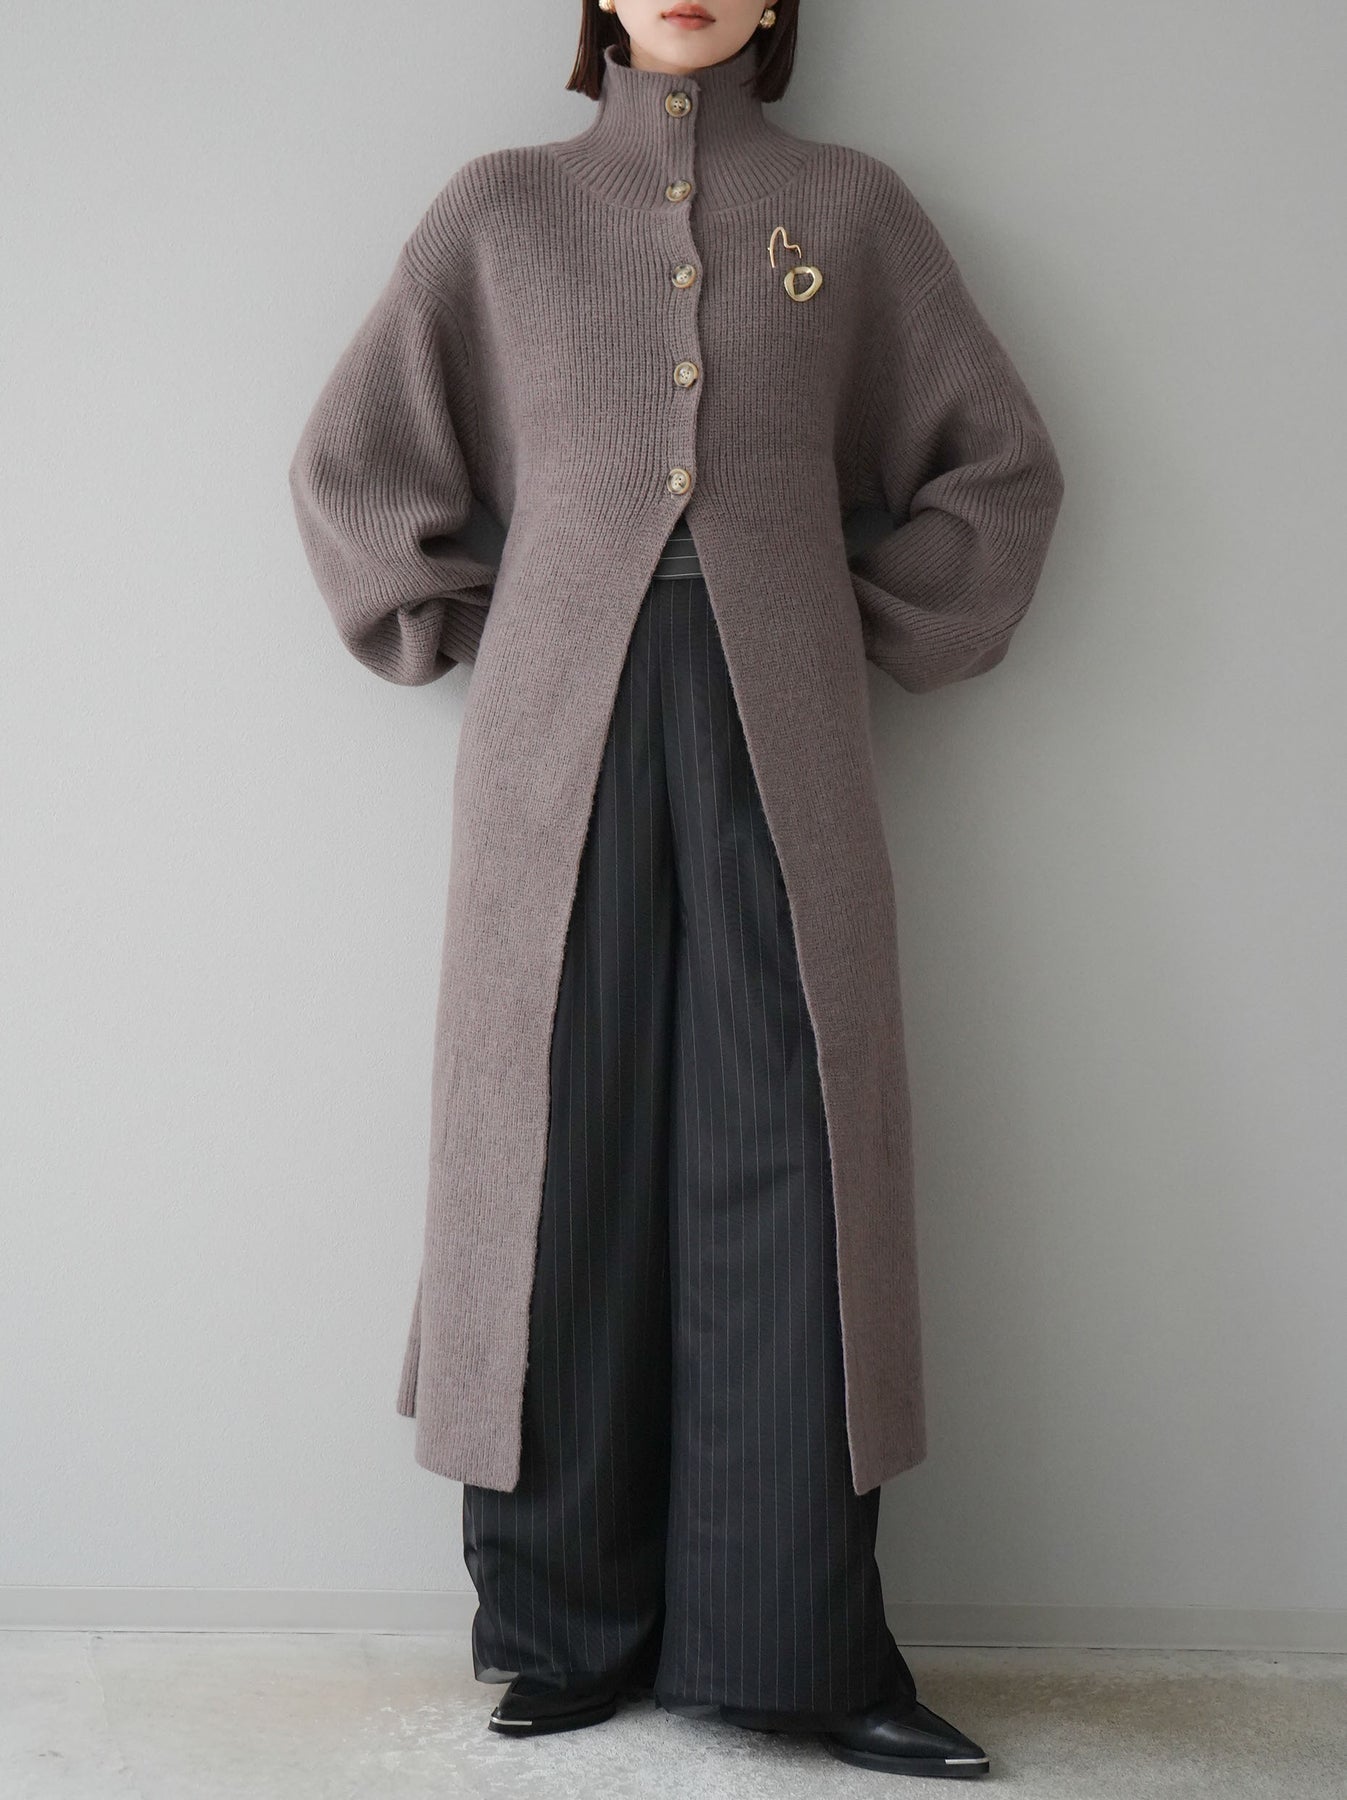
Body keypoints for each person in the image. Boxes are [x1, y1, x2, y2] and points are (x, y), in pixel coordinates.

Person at [288, 0, 1065, 1778]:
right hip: (551, 751)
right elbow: (355, 465)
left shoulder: (854, 211)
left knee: (794, 1146)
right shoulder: (501, 209)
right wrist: (480, 626)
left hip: (786, 744)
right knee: (554, 1142)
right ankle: (563, 1629)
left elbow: (1000, 471)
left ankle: (797, 1649)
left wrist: (862, 630)